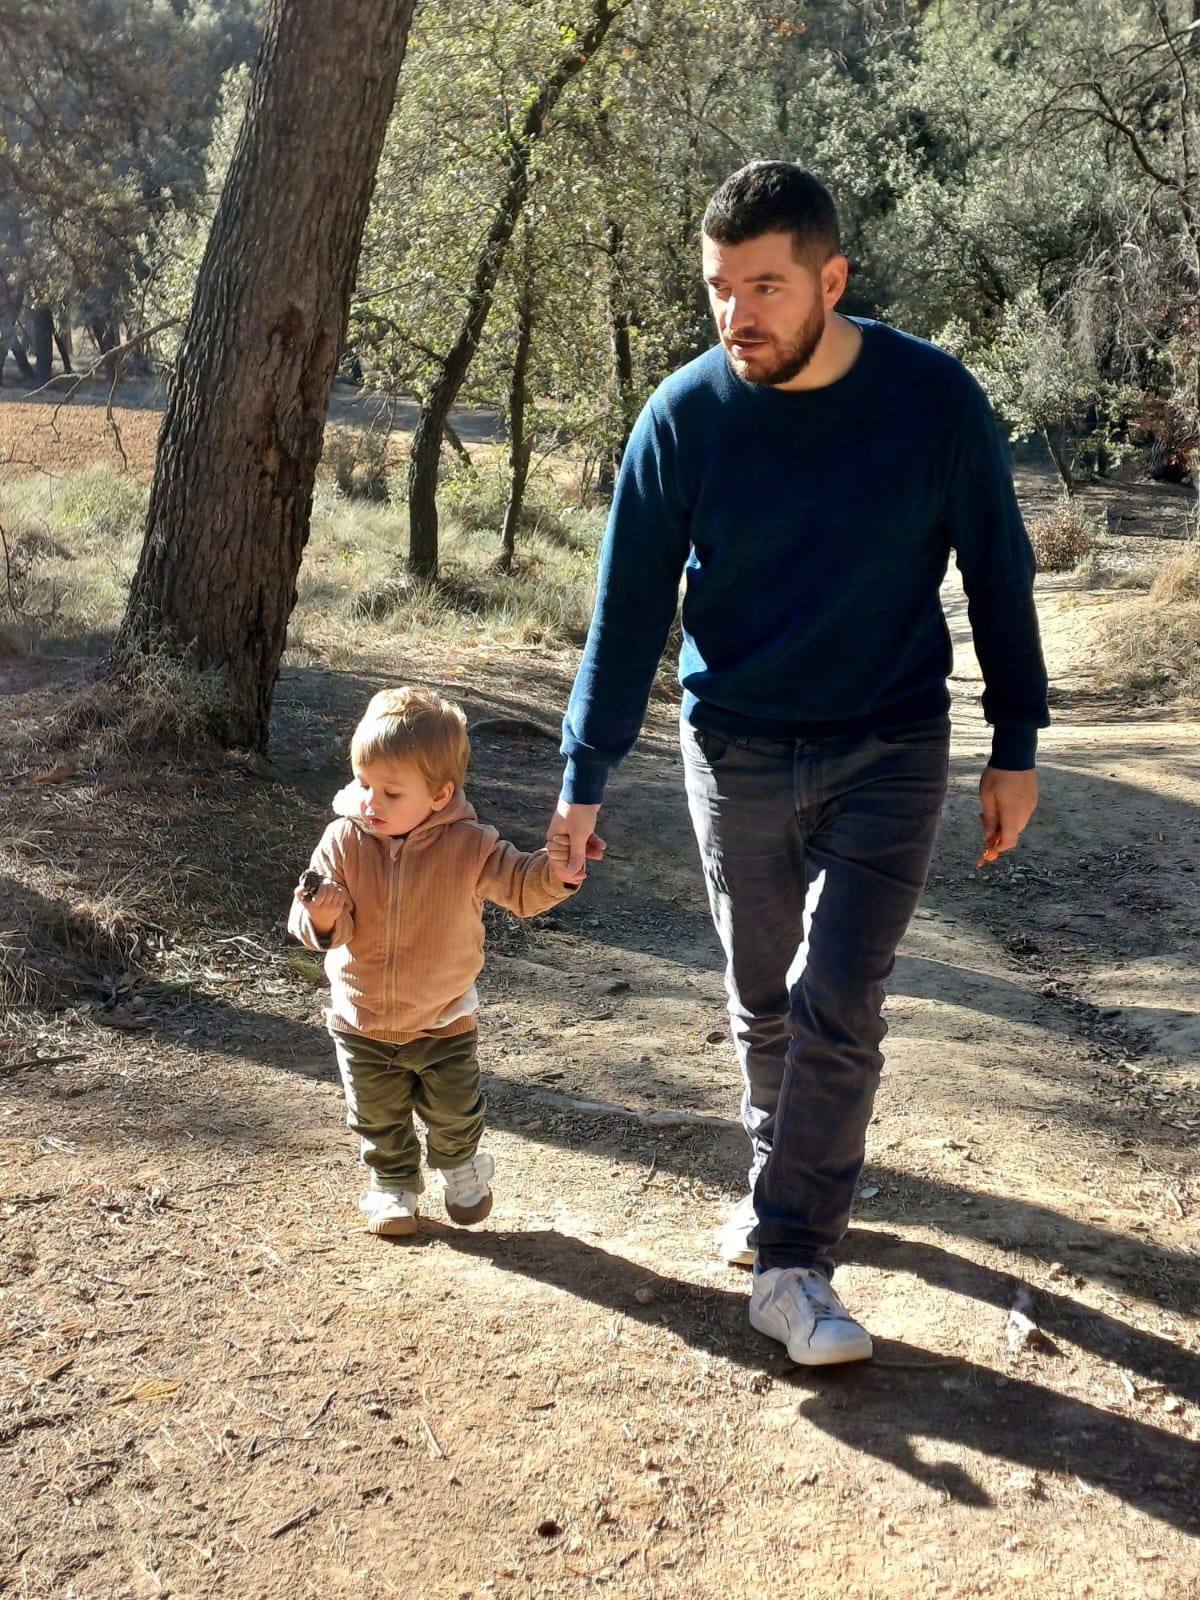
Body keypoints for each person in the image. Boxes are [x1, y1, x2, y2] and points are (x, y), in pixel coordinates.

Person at [548, 162, 1048, 1366]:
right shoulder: (685, 416)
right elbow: (627, 613)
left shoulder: (933, 401)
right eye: (720, 288)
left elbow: (999, 571)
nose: (739, 315)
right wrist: (583, 775)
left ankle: (791, 1261)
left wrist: (1016, 743)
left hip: (892, 743)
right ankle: (782, 1179)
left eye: (766, 286)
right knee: (764, 991)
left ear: (832, 280)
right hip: (736, 746)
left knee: (840, 996)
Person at [291, 686, 578, 1237]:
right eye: (364, 784)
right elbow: (321, 924)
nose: (371, 802)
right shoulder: (342, 840)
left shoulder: (470, 845)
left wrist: (558, 872)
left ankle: (461, 1162)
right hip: (361, 1018)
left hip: (444, 1018)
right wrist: (322, 915)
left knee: (454, 1112)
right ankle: (392, 1186)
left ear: (441, 795)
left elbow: (521, 885)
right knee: (376, 1117)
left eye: (391, 792)